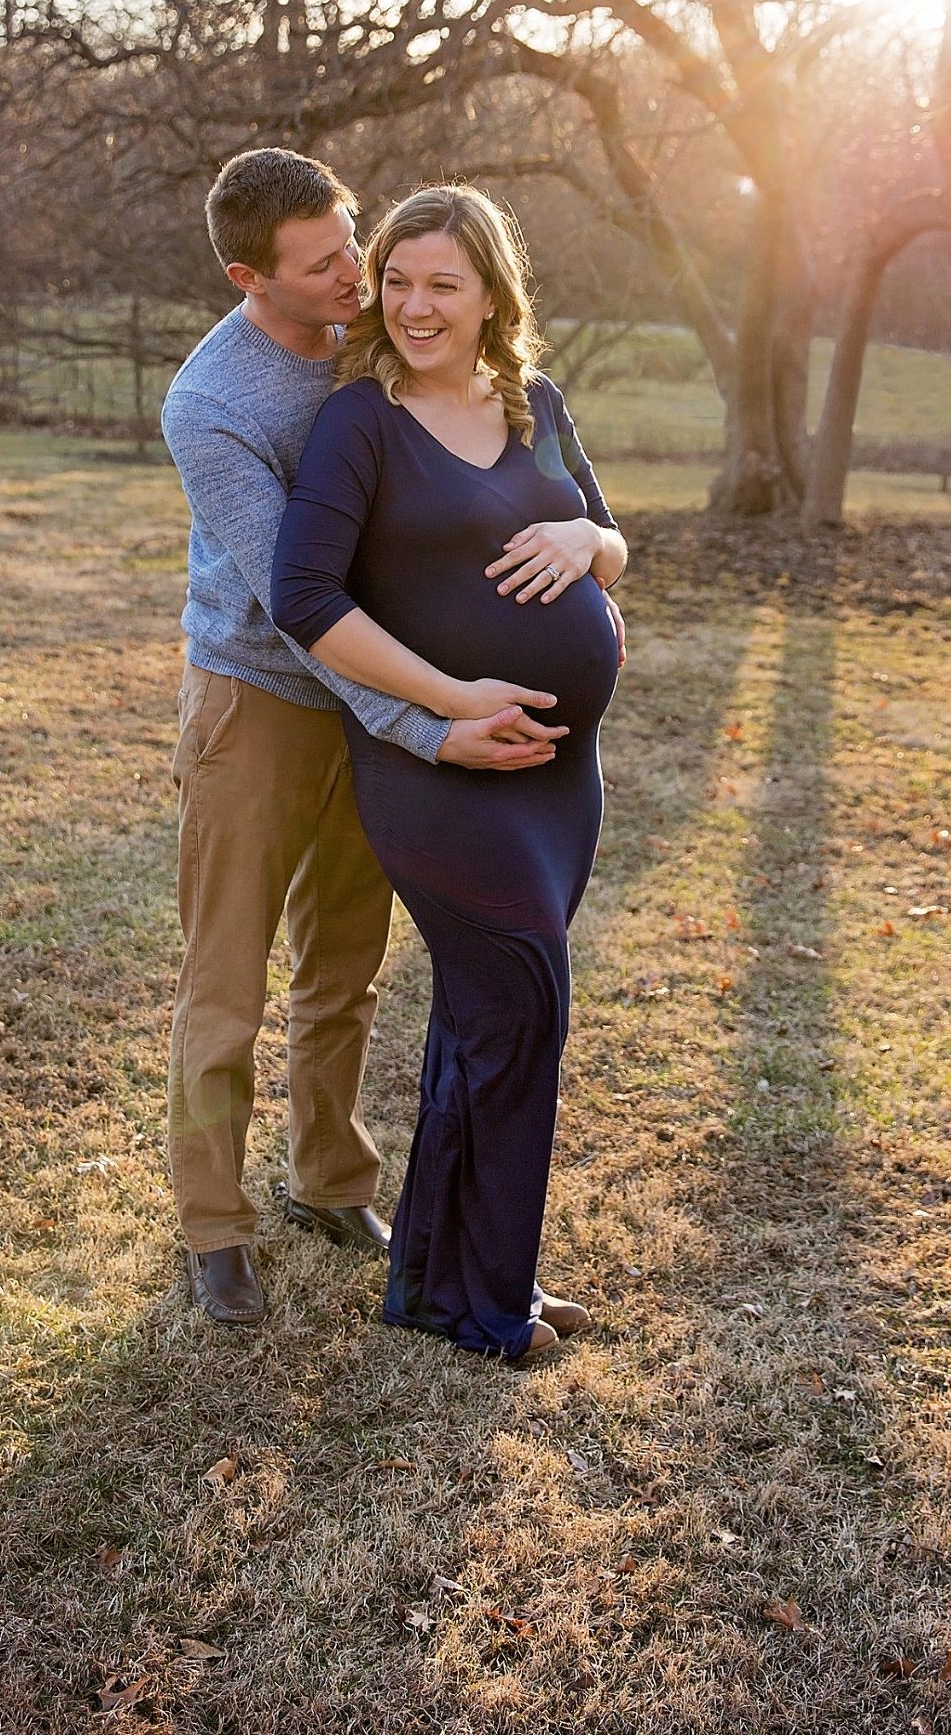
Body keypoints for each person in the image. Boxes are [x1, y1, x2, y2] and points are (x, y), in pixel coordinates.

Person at [160, 150, 577, 1331]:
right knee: (225, 979)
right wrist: (432, 717)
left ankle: (330, 1184)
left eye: (354, 242)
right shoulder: (213, 405)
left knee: (343, 963)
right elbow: (294, 606)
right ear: (252, 276)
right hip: (261, 699)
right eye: (326, 262)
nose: (359, 273)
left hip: (387, 696)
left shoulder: (368, 338)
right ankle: (214, 1225)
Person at [272, 184, 627, 1364]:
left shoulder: (538, 402)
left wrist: (587, 541)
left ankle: (454, 1279)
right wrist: (450, 701)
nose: (415, 306)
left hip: (553, 784)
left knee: (485, 1022)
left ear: (490, 296)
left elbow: (612, 542)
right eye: (398, 281)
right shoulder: (357, 423)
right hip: (435, 769)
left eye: (444, 283)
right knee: (519, 999)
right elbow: (306, 597)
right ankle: (481, 1302)